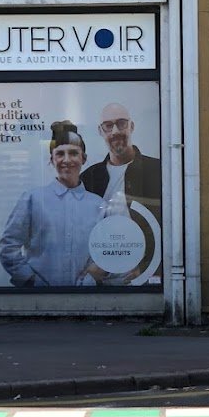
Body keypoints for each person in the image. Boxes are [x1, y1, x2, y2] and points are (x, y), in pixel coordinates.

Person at [0, 120, 103, 287]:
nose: (66, 160)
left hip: (86, 297)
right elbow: (8, 247)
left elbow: (104, 253)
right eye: (60, 154)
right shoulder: (32, 199)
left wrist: (88, 282)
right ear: (52, 160)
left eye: (73, 153)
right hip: (38, 298)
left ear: (83, 158)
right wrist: (32, 282)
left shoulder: (99, 205)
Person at [80, 101, 163, 284]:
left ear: (131, 126)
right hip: (97, 283)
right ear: (101, 131)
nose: (115, 131)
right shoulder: (88, 177)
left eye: (121, 123)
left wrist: (147, 268)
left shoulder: (158, 170)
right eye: (108, 125)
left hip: (142, 280)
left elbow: (168, 227)